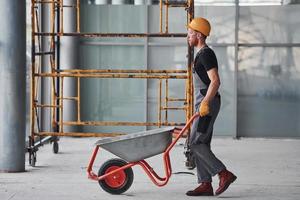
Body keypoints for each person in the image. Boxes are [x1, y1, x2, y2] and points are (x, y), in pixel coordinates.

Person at [185, 17, 237, 196]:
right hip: (203, 102)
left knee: (195, 143)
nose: (188, 36)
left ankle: (223, 173)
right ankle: (205, 184)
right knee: (202, 142)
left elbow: (215, 81)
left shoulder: (206, 54)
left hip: (207, 103)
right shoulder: (200, 54)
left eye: (190, 33)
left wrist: (205, 103)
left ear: (199, 35)